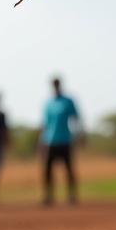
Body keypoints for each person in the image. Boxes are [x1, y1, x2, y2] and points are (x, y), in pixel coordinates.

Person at [40, 76, 81, 205]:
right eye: (54, 85)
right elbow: (45, 123)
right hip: (50, 140)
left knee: (69, 169)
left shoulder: (68, 101)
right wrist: (41, 140)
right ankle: (48, 196)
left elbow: (75, 118)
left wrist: (78, 134)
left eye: (57, 84)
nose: (56, 87)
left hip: (65, 139)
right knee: (47, 170)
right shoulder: (48, 103)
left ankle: (71, 195)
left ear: (60, 85)